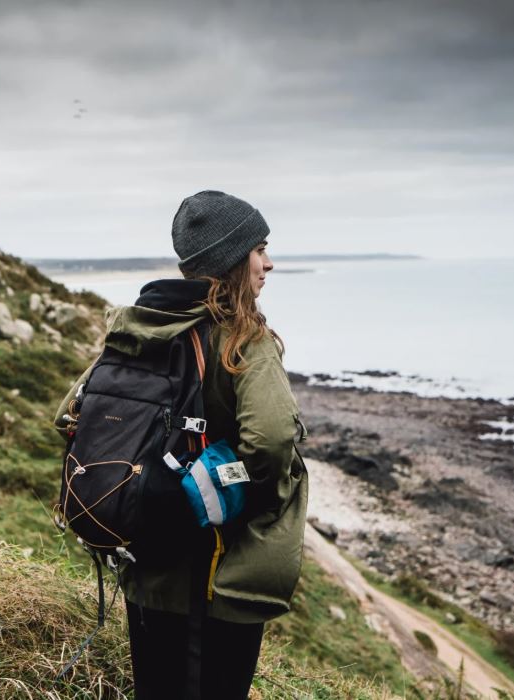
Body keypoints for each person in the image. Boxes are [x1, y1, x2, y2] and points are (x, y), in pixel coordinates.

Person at [54, 190, 308, 699]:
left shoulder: (140, 327)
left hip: (143, 563)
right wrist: (223, 496)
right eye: (260, 250)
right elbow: (273, 440)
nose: (269, 263)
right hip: (219, 579)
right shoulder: (243, 340)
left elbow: (68, 416)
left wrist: (151, 490)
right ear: (233, 260)